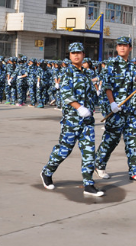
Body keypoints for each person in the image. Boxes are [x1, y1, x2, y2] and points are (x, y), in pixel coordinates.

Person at [40, 42, 103, 196]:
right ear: (69, 55)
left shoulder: (88, 73)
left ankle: (88, 184)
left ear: (83, 55)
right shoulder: (67, 72)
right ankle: (47, 172)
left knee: (89, 152)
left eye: (79, 52)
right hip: (72, 121)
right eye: (73, 53)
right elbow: (66, 94)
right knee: (64, 150)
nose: (76, 55)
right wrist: (79, 108)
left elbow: (92, 95)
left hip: (87, 121)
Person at [94, 36, 136, 184]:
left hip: (131, 110)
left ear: (130, 48)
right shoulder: (111, 64)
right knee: (111, 140)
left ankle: (135, 172)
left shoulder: (133, 66)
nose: (122, 48)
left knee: (133, 141)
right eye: (120, 45)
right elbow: (107, 86)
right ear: (117, 48)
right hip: (115, 110)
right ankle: (99, 165)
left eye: (125, 45)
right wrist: (112, 103)